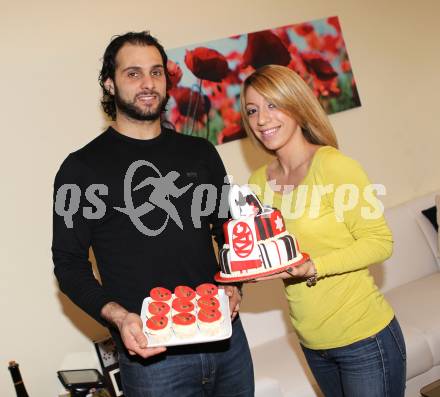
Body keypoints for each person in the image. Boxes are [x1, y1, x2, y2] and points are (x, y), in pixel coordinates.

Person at [52, 31, 254, 396]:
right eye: (133, 73)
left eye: (156, 72)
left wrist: (234, 284)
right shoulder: (80, 169)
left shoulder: (201, 153)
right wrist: (118, 316)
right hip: (152, 357)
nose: (148, 83)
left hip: (226, 341)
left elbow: (228, 229)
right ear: (110, 84)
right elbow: (68, 265)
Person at [241, 64, 406, 397]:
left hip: (365, 339)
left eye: (273, 105)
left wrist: (312, 266)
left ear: (297, 105)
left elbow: (380, 242)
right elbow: (270, 249)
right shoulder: (257, 183)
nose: (261, 119)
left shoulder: (334, 166)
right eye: (252, 110)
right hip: (312, 344)